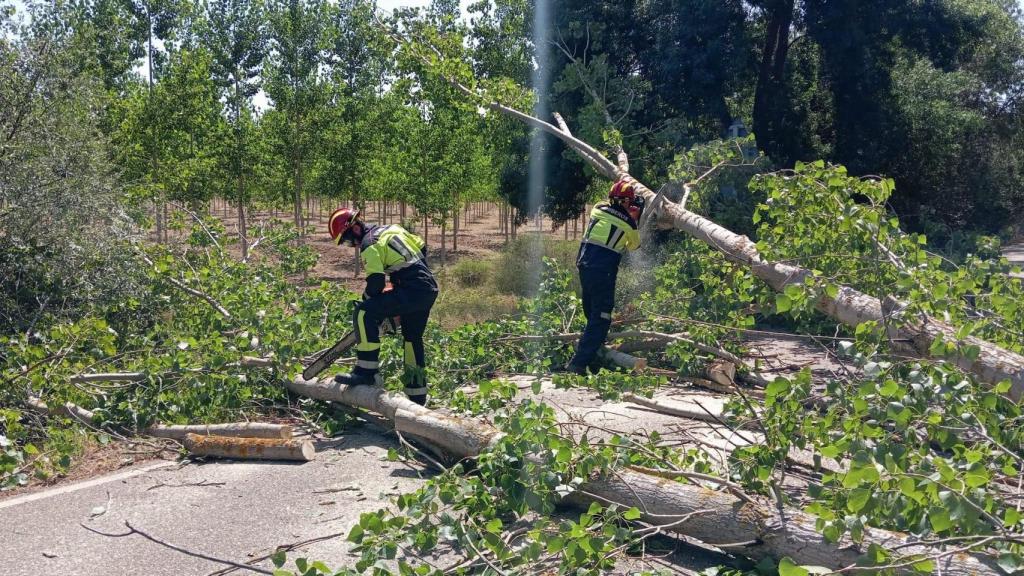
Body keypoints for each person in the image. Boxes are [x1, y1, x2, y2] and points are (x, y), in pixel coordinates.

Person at [328, 208, 438, 406]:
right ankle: (417, 396)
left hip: (411, 290)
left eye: (346, 240)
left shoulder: (369, 245)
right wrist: (396, 290)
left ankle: (366, 372)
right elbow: (422, 248)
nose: (350, 245)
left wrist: (369, 301)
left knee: (363, 313)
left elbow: (376, 283)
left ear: (354, 228)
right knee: (412, 339)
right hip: (427, 289)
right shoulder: (392, 229)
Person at [565, 179, 644, 375]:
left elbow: (612, 211)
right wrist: (635, 217)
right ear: (627, 202)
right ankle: (578, 364)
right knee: (602, 317)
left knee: (591, 311)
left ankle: (594, 355)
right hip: (603, 272)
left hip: (584, 266)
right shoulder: (628, 224)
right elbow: (634, 246)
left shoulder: (597, 209)